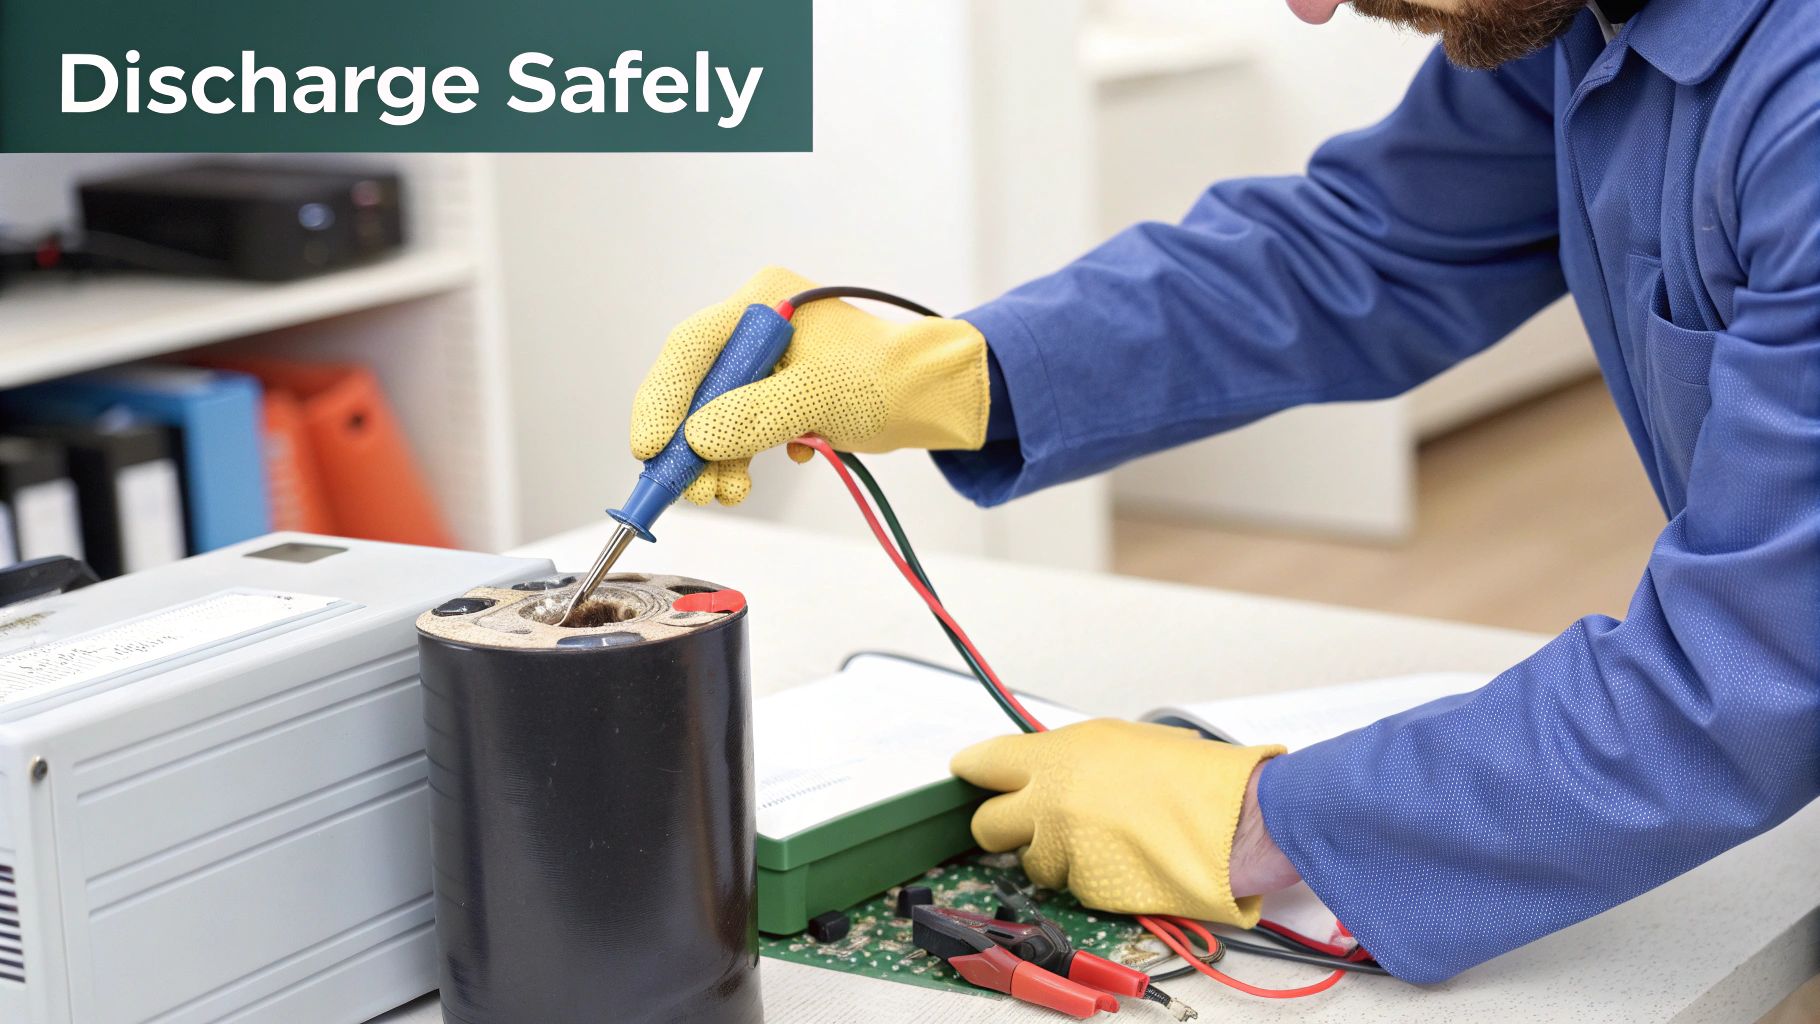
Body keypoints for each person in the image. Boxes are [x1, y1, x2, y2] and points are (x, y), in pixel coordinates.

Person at [628, 0, 1820, 983]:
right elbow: (1361, 245)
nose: (1308, 9)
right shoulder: (1571, 25)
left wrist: (1260, 820)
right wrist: (963, 372)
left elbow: (1751, 672)